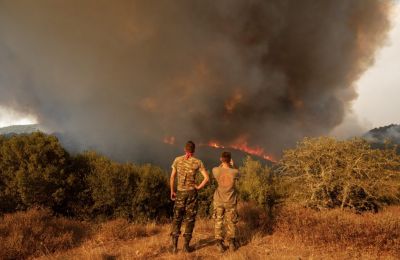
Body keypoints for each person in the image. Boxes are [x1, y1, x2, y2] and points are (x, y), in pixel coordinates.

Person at [170, 141, 209, 253]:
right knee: (190, 219)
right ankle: (186, 247)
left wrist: (172, 191)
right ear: (194, 150)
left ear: (184, 149)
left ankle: (174, 247)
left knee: (177, 219)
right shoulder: (198, 162)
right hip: (192, 193)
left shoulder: (177, 160)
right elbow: (207, 178)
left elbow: (172, 177)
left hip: (180, 193)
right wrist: (198, 187)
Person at [212, 151, 240, 252]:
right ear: (230, 160)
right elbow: (238, 172)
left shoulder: (215, 170)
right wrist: (233, 164)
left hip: (218, 200)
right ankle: (232, 243)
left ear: (221, 159)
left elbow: (218, 168)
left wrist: (222, 163)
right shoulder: (234, 172)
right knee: (231, 222)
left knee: (218, 222)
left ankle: (219, 244)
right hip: (230, 201)